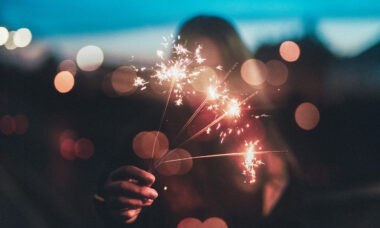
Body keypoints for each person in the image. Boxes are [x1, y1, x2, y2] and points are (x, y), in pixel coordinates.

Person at [95, 15, 303, 227]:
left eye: (218, 70)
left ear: (236, 72)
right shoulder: (150, 132)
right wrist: (116, 205)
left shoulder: (262, 137)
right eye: (195, 70)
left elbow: (289, 213)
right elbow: (104, 195)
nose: (204, 84)